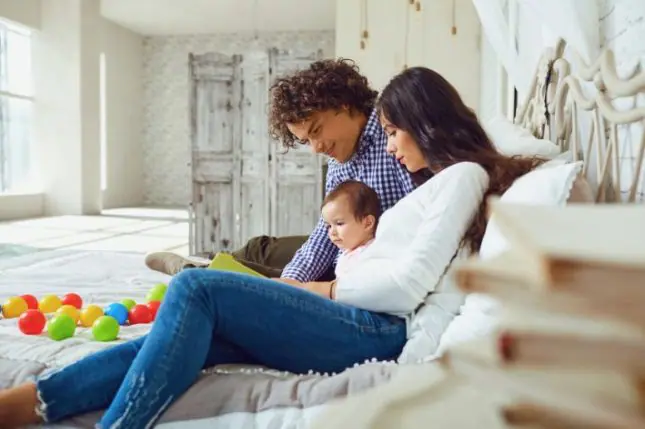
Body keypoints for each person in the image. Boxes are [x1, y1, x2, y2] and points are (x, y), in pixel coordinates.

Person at [0, 67, 544, 429]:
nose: (391, 143)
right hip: (359, 302)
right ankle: (35, 401)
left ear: (421, 124)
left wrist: (320, 290)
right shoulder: (444, 178)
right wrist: (289, 291)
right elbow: (340, 243)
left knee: (197, 289)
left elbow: (405, 287)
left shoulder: (458, 176)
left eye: (394, 131)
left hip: (373, 320)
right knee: (201, 332)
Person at [144, 58, 415, 282]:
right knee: (260, 248)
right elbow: (324, 235)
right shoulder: (338, 162)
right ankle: (207, 265)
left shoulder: (394, 136)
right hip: (346, 245)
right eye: (306, 141)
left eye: (316, 131)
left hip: (368, 259)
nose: (316, 148)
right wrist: (292, 280)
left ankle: (200, 272)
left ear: (343, 103)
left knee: (274, 270)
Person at [321, 180, 380, 279]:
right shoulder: (349, 254)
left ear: (368, 223)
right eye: (329, 226)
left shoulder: (372, 256)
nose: (332, 232)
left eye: (339, 223)